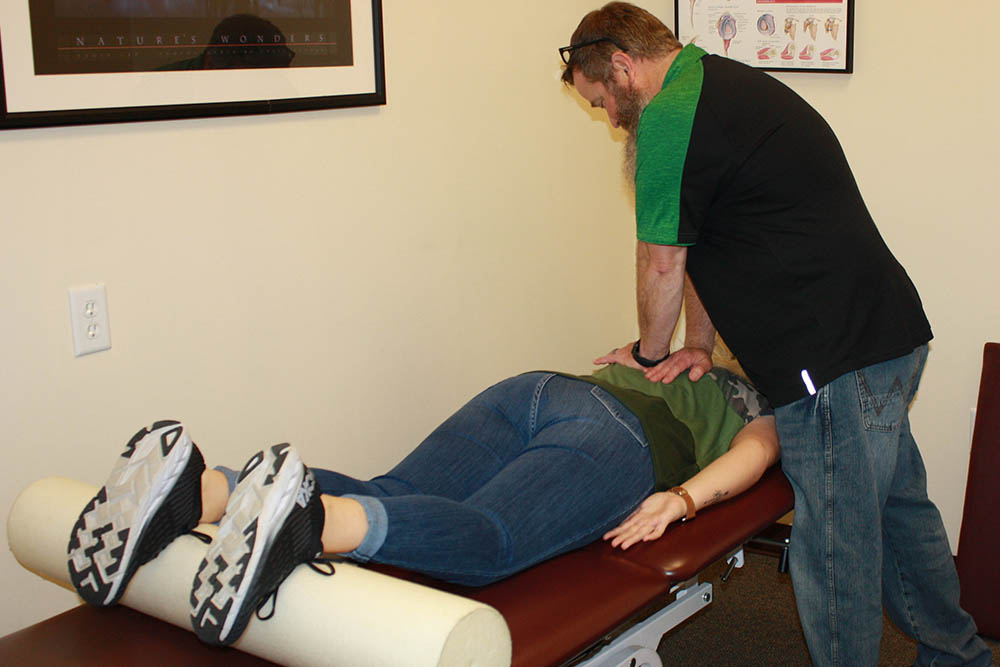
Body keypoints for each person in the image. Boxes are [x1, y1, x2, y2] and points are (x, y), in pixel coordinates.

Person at [559, 3, 991, 666]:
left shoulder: (671, 116)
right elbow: (704, 244)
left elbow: (663, 258)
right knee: (901, 517)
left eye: (603, 102)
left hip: (834, 362)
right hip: (886, 336)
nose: (611, 119)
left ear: (621, 66)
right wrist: (697, 345)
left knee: (833, 551)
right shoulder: (719, 82)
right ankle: (959, 655)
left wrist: (650, 354)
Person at [66, 364, 778, 647]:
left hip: (534, 388)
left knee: (399, 493)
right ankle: (314, 523)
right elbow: (757, 455)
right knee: (491, 540)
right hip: (622, 439)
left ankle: (202, 488)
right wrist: (682, 497)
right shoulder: (760, 398)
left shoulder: (670, 355)